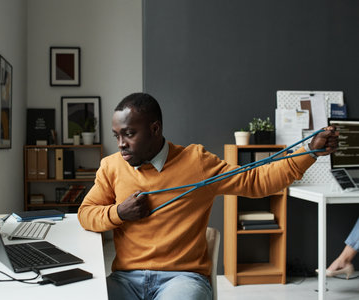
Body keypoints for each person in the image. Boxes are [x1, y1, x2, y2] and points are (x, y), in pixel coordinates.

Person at [77, 92, 339, 300]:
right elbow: (86, 214)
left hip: (181, 279)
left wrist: (310, 152)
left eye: (129, 134)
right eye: (117, 136)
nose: (121, 143)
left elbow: (255, 181)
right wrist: (119, 213)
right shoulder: (111, 166)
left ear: (155, 129)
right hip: (125, 279)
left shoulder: (196, 162)